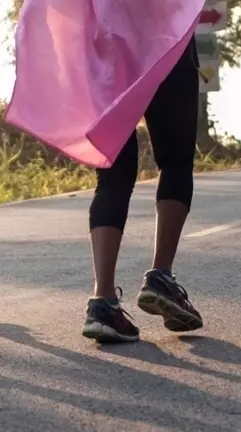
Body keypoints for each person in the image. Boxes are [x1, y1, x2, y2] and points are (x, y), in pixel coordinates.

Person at [81, 38, 203, 343]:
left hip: (105, 41)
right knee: (175, 160)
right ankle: (161, 276)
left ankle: (103, 301)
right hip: (166, 35)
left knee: (112, 174)